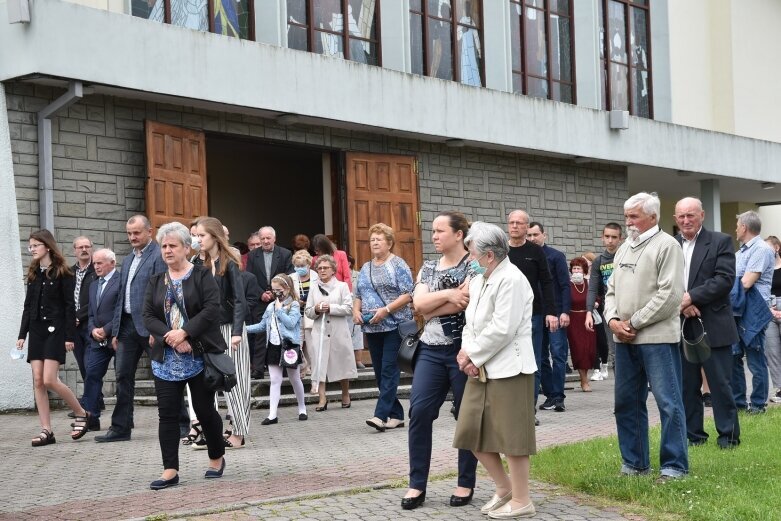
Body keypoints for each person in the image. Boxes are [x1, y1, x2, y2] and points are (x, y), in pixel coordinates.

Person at [453, 221, 537, 519]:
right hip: (481, 366)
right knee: (470, 432)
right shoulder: (479, 280)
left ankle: (522, 500)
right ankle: (504, 488)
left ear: (489, 255)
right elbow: (471, 323)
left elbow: (503, 328)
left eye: (472, 251)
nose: (469, 258)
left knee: (513, 439)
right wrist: (467, 353)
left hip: (509, 369)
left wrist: (473, 356)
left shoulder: (512, 279)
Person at [604, 192, 688, 483]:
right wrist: (613, 320)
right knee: (626, 403)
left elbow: (671, 295)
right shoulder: (625, 247)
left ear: (653, 217)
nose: (628, 222)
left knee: (668, 402)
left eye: (634, 216)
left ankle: (674, 467)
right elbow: (610, 289)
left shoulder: (667, 246)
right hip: (624, 338)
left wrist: (633, 322)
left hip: (657, 339)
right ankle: (634, 463)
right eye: (627, 216)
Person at [401, 211, 477, 510]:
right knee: (419, 412)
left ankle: (465, 482)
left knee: (466, 417)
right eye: (432, 231)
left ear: (459, 234)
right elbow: (418, 305)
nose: (433, 236)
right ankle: (417, 484)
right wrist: (446, 295)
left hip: (462, 350)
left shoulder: (474, 264)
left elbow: (467, 301)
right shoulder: (428, 266)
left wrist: (430, 306)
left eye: (440, 231)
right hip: (430, 351)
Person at [142, 222, 227, 490]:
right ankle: (170, 470)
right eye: (163, 246)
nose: (167, 250)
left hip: (199, 355)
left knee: (203, 410)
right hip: (166, 358)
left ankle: (216, 457)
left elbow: (213, 309)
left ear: (186, 248)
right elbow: (147, 316)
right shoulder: (156, 280)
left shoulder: (202, 276)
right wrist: (171, 336)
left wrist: (186, 333)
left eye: (172, 245)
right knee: (167, 414)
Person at [673, 197, 740, 449]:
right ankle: (694, 437)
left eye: (691, 215)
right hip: (682, 322)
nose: (686, 220)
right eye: (681, 216)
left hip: (713, 323)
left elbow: (724, 280)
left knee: (720, 384)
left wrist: (691, 297)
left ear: (702, 215)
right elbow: (666, 280)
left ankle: (729, 438)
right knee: (687, 384)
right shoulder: (672, 244)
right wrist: (683, 303)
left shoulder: (720, 241)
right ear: (675, 218)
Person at [16, 229, 92, 446]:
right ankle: (46, 430)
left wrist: (69, 336)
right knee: (38, 381)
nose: (31, 250)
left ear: (47, 246)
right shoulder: (33, 273)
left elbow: (70, 307)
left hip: (55, 331)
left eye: (35, 246)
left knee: (50, 379)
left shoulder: (63, 272)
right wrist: (22, 334)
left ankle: (81, 413)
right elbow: (28, 307)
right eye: (30, 246)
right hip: (37, 331)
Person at [97, 215, 167, 443]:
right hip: (127, 327)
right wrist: (115, 330)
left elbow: (161, 295)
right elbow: (120, 299)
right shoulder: (127, 260)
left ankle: (180, 424)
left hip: (149, 326)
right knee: (122, 376)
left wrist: (158, 331)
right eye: (129, 233)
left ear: (149, 231)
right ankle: (120, 428)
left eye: (137, 233)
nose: (132, 237)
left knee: (164, 377)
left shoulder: (158, 255)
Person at [194, 216, 249, 449]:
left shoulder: (230, 262)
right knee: (208, 381)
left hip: (230, 329)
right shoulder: (197, 264)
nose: (198, 240)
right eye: (195, 236)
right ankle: (211, 433)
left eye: (201, 235)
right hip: (207, 332)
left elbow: (239, 300)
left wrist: (237, 331)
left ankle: (238, 432)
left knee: (235, 381)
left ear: (214, 236)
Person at [353, 223, 414, 432]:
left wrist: (386, 310)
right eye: (372, 240)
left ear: (389, 243)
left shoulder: (398, 264)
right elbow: (358, 295)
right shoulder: (366, 267)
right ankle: (396, 415)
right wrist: (356, 312)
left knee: (389, 370)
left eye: (379, 239)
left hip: (394, 326)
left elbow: (408, 294)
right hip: (371, 327)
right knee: (379, 372)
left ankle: (380, 416)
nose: (375, 243)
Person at [506, 210, 556, 424]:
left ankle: (529, 410)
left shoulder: (536, 251)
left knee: (531, 361)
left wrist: (551, 312)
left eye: (519, 223)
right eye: (512, 222)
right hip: (505, 315)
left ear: (527, 227)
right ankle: (508, 410)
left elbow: (547, 282)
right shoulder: (501, 250)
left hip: (531, 315)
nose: (515, 226)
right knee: (507, 362)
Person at [246, 273, 308, 423]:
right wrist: (242, 329)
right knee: (275, 379)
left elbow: (291, 323)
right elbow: (262, 325)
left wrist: (280, 310)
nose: (276, 293)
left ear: (287, 288)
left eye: (279, 290)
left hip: (289, 346)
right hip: (273, 346)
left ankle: (302, 408)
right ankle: (272, 414)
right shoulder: (270, 306)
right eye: (273, 290)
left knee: (294, 378)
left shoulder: (293, 304)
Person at [731, 210, 775, 414]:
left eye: (738, 225)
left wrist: (726, 288)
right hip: (737, 309)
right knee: (734, 356)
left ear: (745, 227)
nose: (736, 229)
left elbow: (746, 282)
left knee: (755, 359)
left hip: (754, 309)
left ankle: (758, 405)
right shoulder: (740, 253)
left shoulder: (761, 249)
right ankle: (739, 403)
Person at [528, 222, 571, 413]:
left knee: (558, 354)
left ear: (544, 235)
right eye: (529, 235)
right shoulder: (528, 257)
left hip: (556, 312)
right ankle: (550, 394)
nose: (532, 238)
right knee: (541, 357)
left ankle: (559, 396)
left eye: (535, 234)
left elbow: (564, 286)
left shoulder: (555, 256)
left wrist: (564, 312)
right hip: (537, 314)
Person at [305, 255, 357, 410]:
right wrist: (316, 309)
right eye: (319, 268)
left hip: (338, 331)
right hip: (319, 332)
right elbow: (308, 311)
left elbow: (349, 308)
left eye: (325, 268)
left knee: (342, 362)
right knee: (319, 364)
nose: (322, 271)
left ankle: (345, 394)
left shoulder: (342, 286)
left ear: (333, 270)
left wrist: (331, 308)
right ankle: (322, 399)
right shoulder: (313, 287)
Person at [246, 226, 294, 378]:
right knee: (260, 333)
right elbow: (250, 277)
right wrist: (261, 294)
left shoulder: (285, 254)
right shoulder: (253, 255)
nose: (265, 241)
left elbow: (288, 277)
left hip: (280, 299)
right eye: (262, 239)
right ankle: (258, 369)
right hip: (260, 300)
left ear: (274, 238)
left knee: (282, 332)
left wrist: (275, 293)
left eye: (268, 238)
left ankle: (285, 366)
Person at [82, 248, 121, 432]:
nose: (96, 267)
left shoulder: (121, 281)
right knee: (92, 374)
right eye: (94, 263)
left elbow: (122, 311)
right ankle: (91, 417)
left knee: (123, 377)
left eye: (99, 263)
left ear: (112, 263)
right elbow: (90, 314)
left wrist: (106, 330)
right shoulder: (93, 285)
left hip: (117, 337)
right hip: (97, 340)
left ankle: (123, 419)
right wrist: (93, 330)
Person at [585, 223, 623, 380]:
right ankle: (621, 386)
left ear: (620, 239)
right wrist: (588, 312)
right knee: (615, 350)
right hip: (610, 310)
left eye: (614, 237)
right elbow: (593, 289)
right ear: (602, 238)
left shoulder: (625, 257)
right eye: (607, 236)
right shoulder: (598, 261)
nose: (610, 240)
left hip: (628, 308)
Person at [70, 236, 97, 398]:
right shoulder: (68, 272)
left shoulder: (96, 271)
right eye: (80, 247)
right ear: (75, 250)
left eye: (87, 246)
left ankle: (90, 403)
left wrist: (79, 316)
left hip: (91, 324)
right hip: (73, 327)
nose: (84, 250)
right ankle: (94, 400)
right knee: (82, 364)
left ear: (91, 249)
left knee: (90, 365)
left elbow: (96, 300)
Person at [567, 257, 597, 392]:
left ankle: (585, 377)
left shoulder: (589, 283)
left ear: (584, 270)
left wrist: (596, 303)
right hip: (573, 320)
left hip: (588, 319)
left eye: (579, 268)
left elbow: (597, 297)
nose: (576, 271)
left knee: (589, 350)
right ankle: (583, 380)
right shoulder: (567, 284)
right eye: (574, 268)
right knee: (578, 350)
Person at [290, 249, 318, 376]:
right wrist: (296, 302)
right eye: (297, 266)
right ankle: (303, 367)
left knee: (312, 345)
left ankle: (313, 370)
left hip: (311, 316)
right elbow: (285, 297)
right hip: (296, 316)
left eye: (302, 266)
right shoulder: (291, 278)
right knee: (297, 344)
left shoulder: (316, 277)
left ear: (309, 264)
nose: (299, 268)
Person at [764, 235, 781, 403]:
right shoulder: (764, 269)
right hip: (769, 309)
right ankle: (779, 388)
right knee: (772, 351)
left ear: (776, 248)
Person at [348, 253, 366, 369]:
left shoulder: (358, 275)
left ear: (348, 263)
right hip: (343, 310)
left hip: (356, 308)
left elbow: (362, 292)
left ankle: (358, 360)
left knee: (357, 335)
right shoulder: (337, 276)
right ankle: (347, 362)